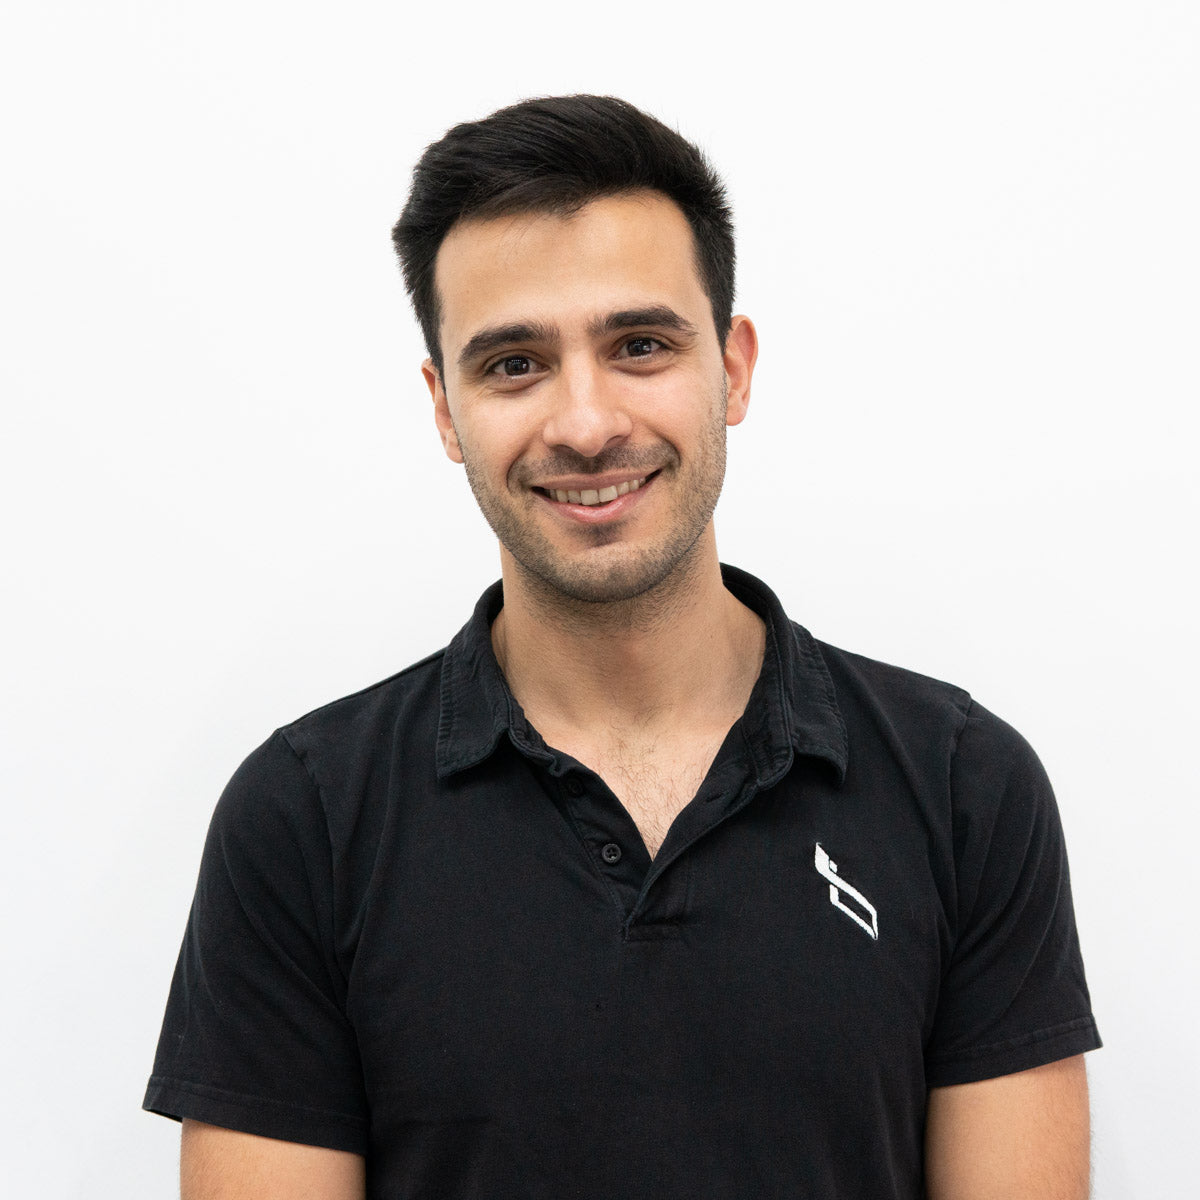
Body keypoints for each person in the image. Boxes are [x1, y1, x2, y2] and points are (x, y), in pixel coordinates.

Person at [145, 95, 1101, 1199]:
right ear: (446, 409)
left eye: (640, 346)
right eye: (514, 364)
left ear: (733, 369)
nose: (587, 423)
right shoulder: (304, 819)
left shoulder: (963, 787)